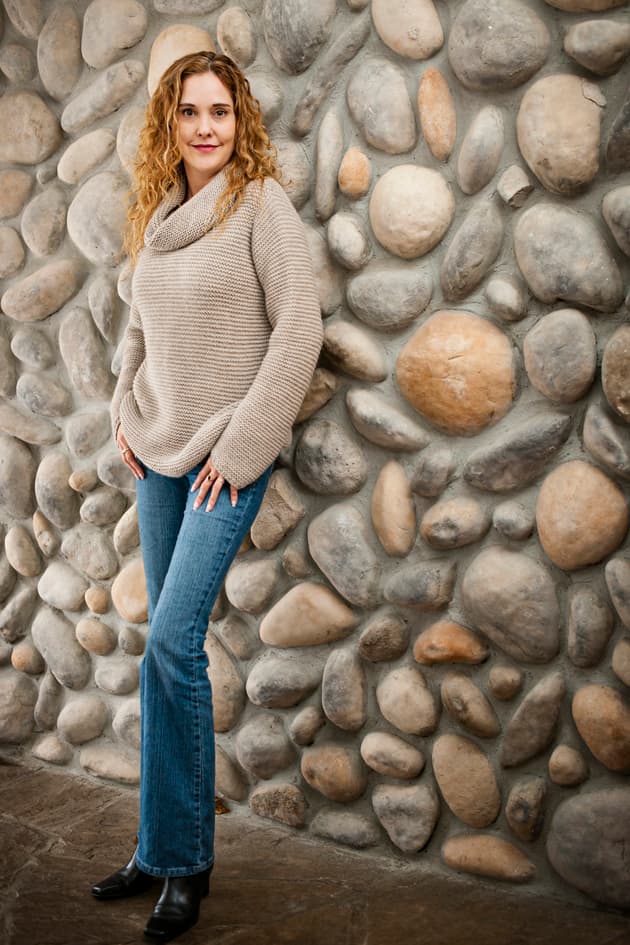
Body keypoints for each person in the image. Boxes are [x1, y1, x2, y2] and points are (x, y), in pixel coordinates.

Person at [90, 50, 323, 942]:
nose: (205, 126)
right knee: (161, 648)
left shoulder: (261, 205)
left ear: (240, 120)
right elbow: (137, 327)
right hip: (158, 454)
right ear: (171, 124)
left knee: (174, 642)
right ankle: (157, 847)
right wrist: (122, 407)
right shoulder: (158, 217)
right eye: (189, 111)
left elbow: (299, 329)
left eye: (219, 111)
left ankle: (185, 860)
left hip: (228, 453)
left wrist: (244, 442)